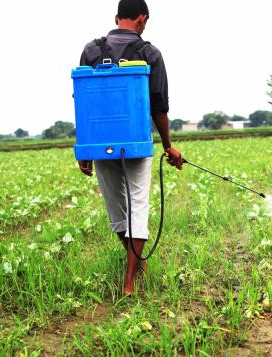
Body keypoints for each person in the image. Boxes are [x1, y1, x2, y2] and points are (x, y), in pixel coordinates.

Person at [77, 0, 182, 295]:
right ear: (142, 19)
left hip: (100, 144)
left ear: (116, 18)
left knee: (117, 211)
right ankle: (130, 282)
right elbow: (159, 106)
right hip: (135, 144)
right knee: (138, 205)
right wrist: (168, 146)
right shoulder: (151, 54)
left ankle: (136, 268)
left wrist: (84, 150)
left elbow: (84, 102)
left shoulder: (91, 50)